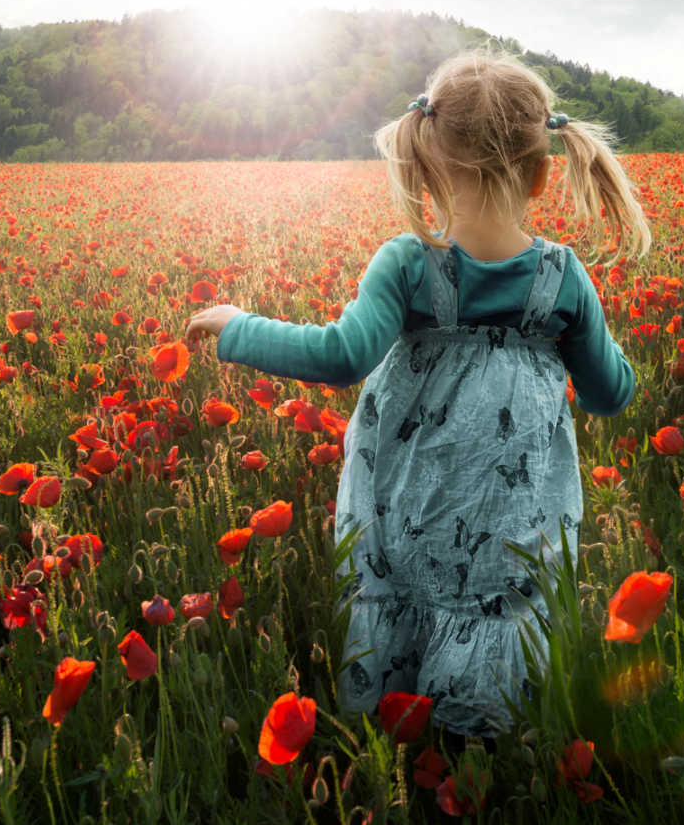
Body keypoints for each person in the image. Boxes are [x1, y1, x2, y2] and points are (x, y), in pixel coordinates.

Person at [185, 49, 649, 739]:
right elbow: (610, 395)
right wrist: (610, 363)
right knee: (498, 605)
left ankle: (395, 740)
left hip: (410, 506)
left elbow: (342, 356)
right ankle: (481, 759)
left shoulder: (407, 263)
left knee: (401, 593)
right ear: (545, 172)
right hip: (507, 518)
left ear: (426, 159)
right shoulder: (563, 276)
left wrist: (237, 327)